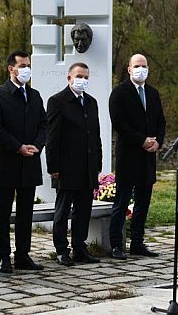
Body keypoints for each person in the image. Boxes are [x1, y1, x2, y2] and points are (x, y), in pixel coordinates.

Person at [0, 51, 48, 273]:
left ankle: (23, 254)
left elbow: (44, 124)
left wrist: (37, 145)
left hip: (30, 160)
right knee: (3, 212)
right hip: (8, 161)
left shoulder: (35, 95)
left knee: (26, 212)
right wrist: (17, 147)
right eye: (22, 65)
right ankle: (3, 255)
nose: (26, 69)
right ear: (11, 68)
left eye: (28, 65)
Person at [108, 54, 166, 260]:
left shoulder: (152, 93)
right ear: (129, 69)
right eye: (137, 66)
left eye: (144, 66)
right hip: (129, 155)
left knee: (143, 203)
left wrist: (158, 140)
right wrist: (141, 140)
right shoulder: (119, 93)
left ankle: (137, 242)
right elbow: (119, 123)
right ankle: (116, 244)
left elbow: (161, 121)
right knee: (122, 202)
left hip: (148, 157)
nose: (141, 69)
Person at [46, 62, 102, 266]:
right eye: (79, 76)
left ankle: (80, 247)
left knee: (83, 209)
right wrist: (53, 166)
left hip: (87, 166)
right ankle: (62, 250)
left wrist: (98, 162)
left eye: (86, 77)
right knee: (63, 210)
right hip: (66, 167)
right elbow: (52, 137)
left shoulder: (91, 102)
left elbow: (95, 135)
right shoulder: (57, 101)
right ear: (69, 78)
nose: (83, 80)